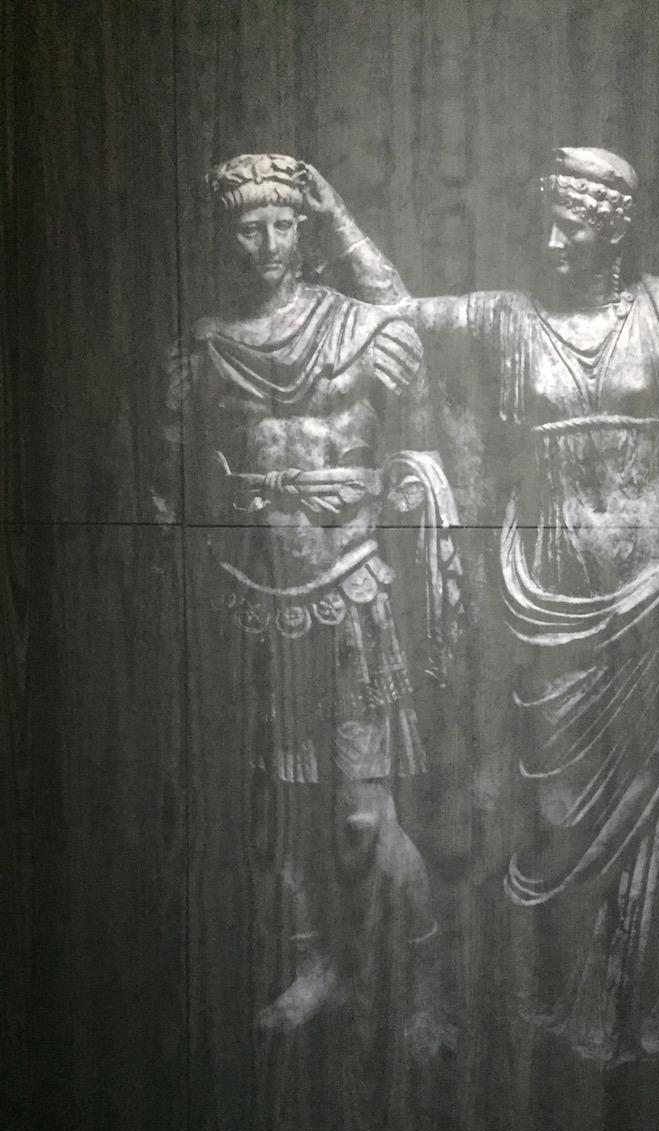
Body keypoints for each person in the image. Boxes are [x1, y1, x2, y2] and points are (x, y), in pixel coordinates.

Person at [307, 146, 659, 1065]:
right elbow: (392, 308)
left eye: (574, 228)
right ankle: (569, 1000)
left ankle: (650, 1003)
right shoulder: (505, 318)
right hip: (553, 600)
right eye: (547, 225)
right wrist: (328, 216)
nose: (554, 243)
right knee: (561, 810)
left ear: (616, 231)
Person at [167, 154, 461, 1049]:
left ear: (306, 228)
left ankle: (426, 989)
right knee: (280, 814)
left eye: (283, 223)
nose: (265, 242)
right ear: (225, 237)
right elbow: (170, 487)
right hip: (258, 600)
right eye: (247, 226)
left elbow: (415, 353)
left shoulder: (362, 326)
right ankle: (317, 966)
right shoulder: (202, 348)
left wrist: (337, 211)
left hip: (350, 593)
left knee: (363, 815)